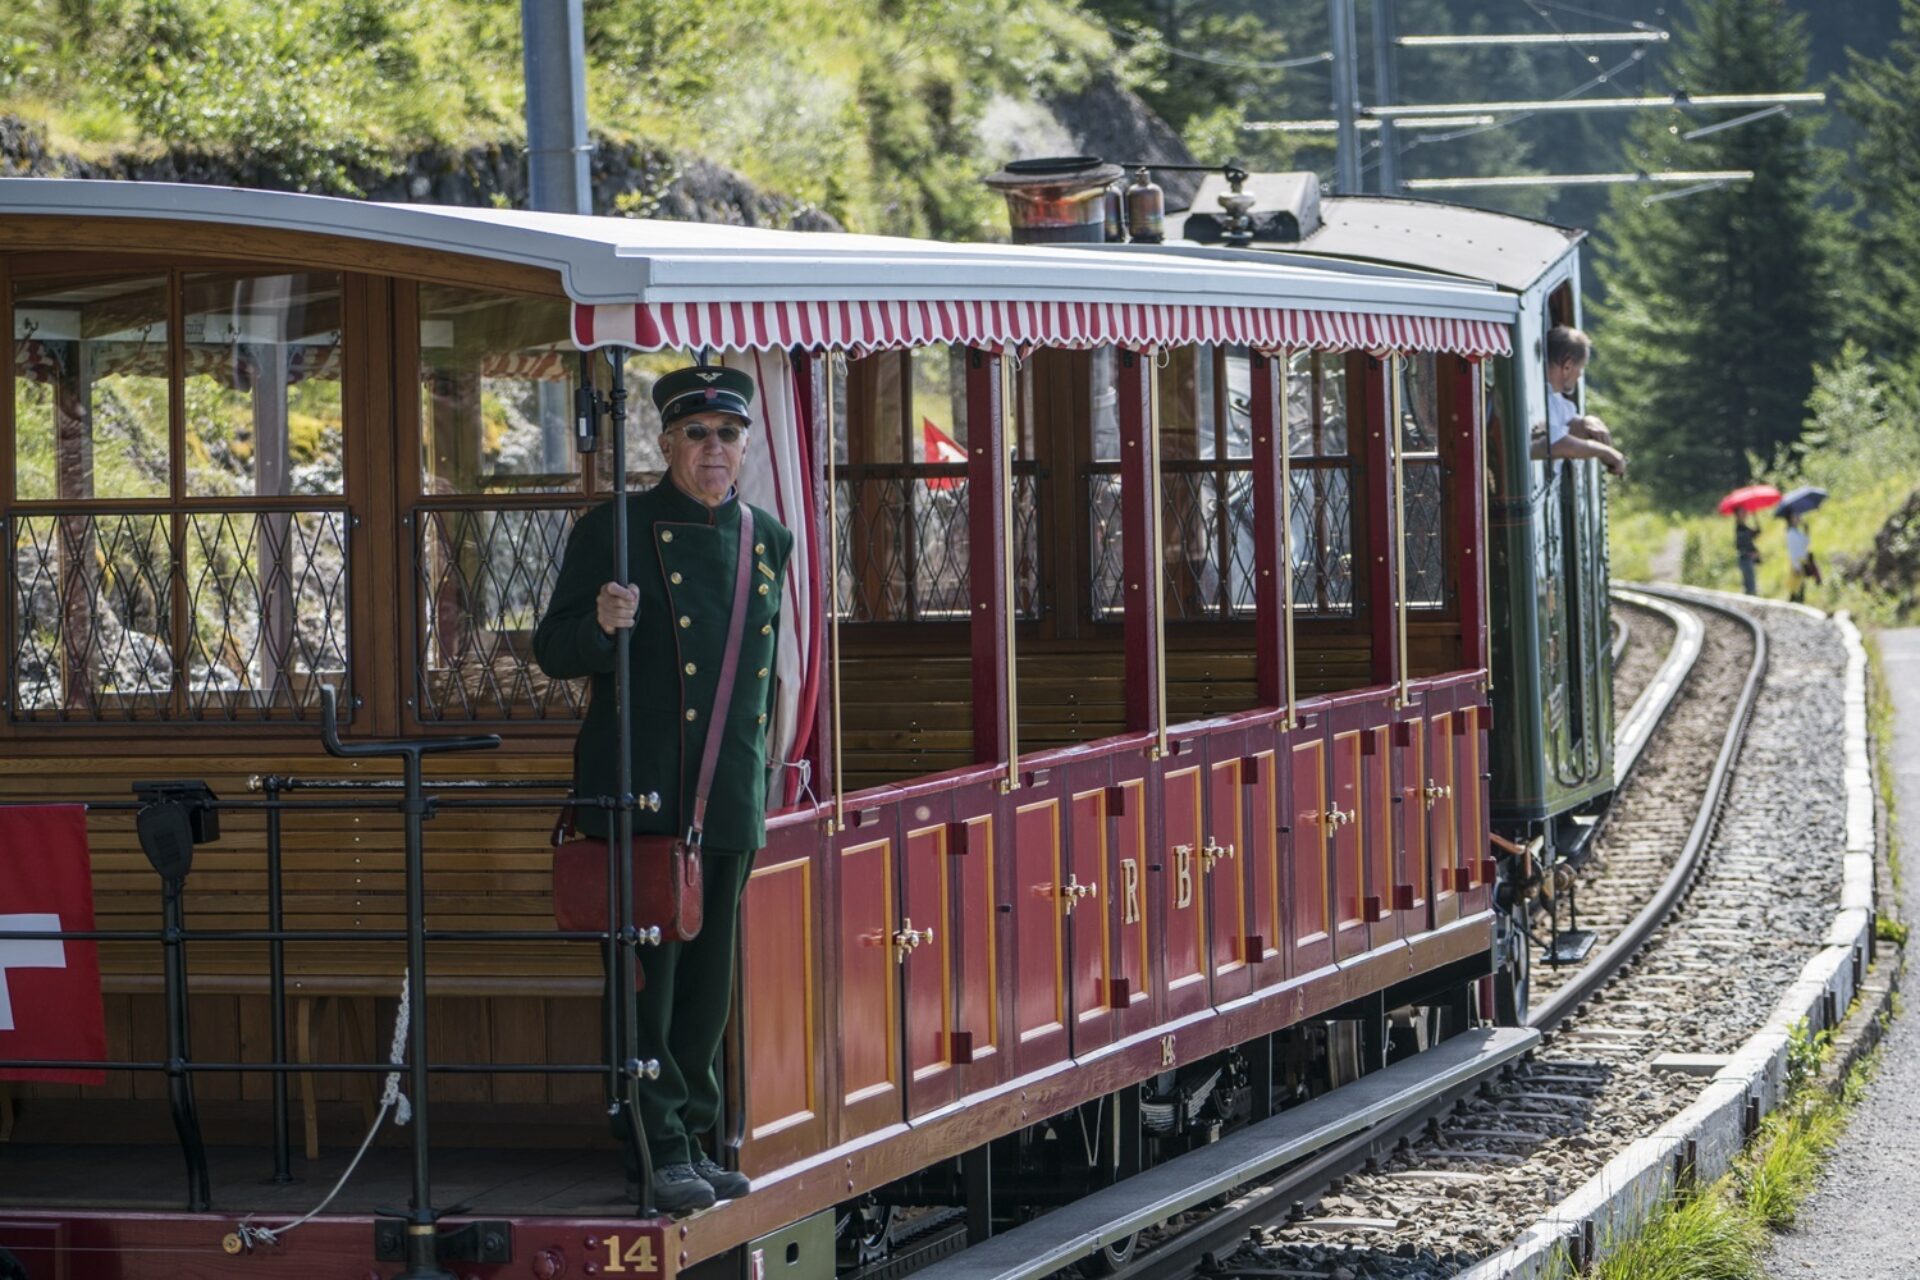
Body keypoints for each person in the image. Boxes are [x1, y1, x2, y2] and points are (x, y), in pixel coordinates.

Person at [534, 363, 792, 1214]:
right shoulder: (617, 527)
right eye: (695, 434)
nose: (713, 449)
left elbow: (760, 680)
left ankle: (703, 1136)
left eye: (727, 434)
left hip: (727, 794)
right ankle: (658, 1146)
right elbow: (553, 648)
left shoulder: (767, 537)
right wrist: (600, 629)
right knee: (652, 980)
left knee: (708, 984)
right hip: (640, 792)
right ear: (664, 442)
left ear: (745, 444)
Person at [1530, 325, 1627, 477]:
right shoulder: (1536, 398)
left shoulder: (1554, 398)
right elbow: (1553, 444)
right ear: (1567, 367)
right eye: (1581, 368)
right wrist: (1605, 452)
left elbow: (1567, 424)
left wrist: (1589, 422)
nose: (1580, 375)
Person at [1785, 510, 1821, 603]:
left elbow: (1805, 544)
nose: (1798, 518)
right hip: (1797, 563)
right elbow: (1793, 551)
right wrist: (1796, 566)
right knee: (1796, 587)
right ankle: (1796, 603)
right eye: (1796, 517)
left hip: (1801, 562)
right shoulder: (1791, 534)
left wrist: (1806, 531)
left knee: (1799, 586)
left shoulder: (1797, 532)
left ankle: (1797, 602)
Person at [1735, 510, 1761, 596]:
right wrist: (1751, 554)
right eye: (1742, 512)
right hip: (1745, 559)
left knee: (1750, 583)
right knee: (1750, 585)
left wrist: (1755, 517)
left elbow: (1757, 532)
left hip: (1748, 559)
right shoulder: (1739, 529)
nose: (1745, 514)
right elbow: (1740, 546)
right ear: (1738, 515)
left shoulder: (1744, 527)